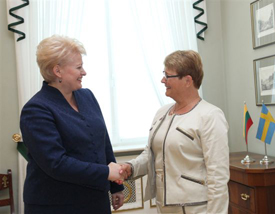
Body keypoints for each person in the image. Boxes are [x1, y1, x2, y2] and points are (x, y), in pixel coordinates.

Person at [20, 35, 125, 214]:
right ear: (57, 71)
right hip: (56, 205)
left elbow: (103, 141)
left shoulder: (87, 96)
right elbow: (56, 164)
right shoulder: (36, 109)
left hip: (95, 201)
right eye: (78, 67)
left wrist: (116, 186)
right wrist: (106, 173)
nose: (84, 72)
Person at [120, 50, 230, 213]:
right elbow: (151, 154)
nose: (163, 80)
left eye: (168, 76)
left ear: (187, 80)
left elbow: (218, 177)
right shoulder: (162, 113)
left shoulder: (210, 116)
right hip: (164, 208)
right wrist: (131, 167)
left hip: (196, 209)